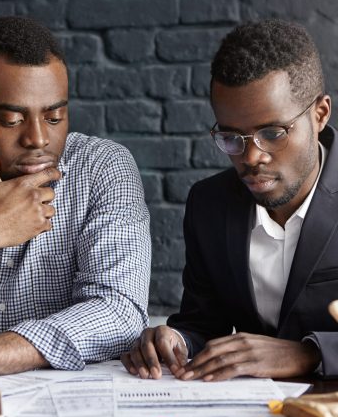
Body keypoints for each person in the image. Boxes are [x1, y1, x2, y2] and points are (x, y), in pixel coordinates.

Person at [0, 16, 151, 387]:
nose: (37, 138)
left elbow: (119, 311)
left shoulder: (103, 169)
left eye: (54, 117)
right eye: (11, 119)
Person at [122, 19, 338, 381]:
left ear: (320, 115)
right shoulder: (209, 205)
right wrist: (176, 339)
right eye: (231, 136)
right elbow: (205, 323)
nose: (251, 157)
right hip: (249, 415)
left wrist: (307, 354)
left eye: (272, 133)